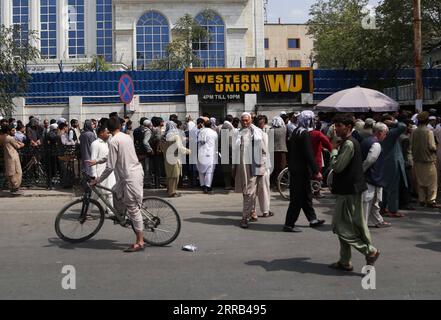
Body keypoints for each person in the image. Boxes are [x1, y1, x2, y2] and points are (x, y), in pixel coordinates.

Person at [329, 114, 380, 272]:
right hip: (349, 189)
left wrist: (334, 151)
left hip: (349, 191)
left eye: (339, 126)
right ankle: (345, 261)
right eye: (335, 126)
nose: (336, 129)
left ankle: (369, 250)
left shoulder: (349, 144)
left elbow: (337, 167)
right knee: (349, 224)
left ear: (349, 127)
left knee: (340, 226)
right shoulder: (348, 142)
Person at [89, 117, 145, 253]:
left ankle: (140, 241)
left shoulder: (113, 141)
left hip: (130, 176)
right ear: (120, 126)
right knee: (115, 191)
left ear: (108, 129)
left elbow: (110, 166)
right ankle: (120, 214)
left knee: (133, 209)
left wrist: (98, 180)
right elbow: (111, 157)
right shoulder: (126, 137)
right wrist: (97, 161)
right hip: (130, 174)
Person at [283, 111, 325, 233]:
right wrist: (316, 171)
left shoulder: (296, 131)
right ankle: (289, 224)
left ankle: (312, 219)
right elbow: (309, 154)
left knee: (306, 195)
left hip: (295, 168)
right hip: (300, 170)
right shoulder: (304, 133)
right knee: (297, 198)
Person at [234, 113, 271, 229]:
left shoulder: (257, 133)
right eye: (243, 121)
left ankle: (245, 218)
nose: (244, 123)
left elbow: (264, 151)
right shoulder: (238, 133)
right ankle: (253, 212)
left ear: (250, 120)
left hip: (253, 167)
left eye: (246, 120)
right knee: (249, 191)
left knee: (248, 192)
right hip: (242, 168)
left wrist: (262, 167)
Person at [361, 122, 391, 228]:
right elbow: (370, 160)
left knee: (374, 201)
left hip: (372, 177)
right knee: (368, 201)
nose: (385, 136)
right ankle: (362, 224)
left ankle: (378, 220)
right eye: (385, 133)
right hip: (371, 177)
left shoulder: (367, 141)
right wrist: (362, 170)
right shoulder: (376, 144)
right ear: (380, 132)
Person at [411, 112, 441, 208]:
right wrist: (436, 147)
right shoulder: (429, 132)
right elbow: (432, 146)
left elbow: (411, 144)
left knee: (420, 181)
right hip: (428, 160)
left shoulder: (414, 131)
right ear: (427, 120)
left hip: (417, 159)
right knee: (432, 181)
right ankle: (431, 200)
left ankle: (422, 199)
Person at [379, 115, 407, 218]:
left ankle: (382, 208)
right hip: (392, 162)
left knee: (385, 187)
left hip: (384, 161)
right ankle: (393, 210)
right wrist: (394, 123)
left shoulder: (381, 133)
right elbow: (403, 126)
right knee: (393, 187)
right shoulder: (390, 133)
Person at [90, 126, 116, 212]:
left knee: (109, 192)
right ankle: (87, 212)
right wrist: (94, 175)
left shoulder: (106, 143)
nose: (109, 134)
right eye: (107, 132)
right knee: (96, 194)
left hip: (107, 172)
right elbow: (93, 160)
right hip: (100, 173)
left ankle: (110, 210)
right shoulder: (95, 144)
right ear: (101, 133)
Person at [162, 121, 191, 197]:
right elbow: (180, 148)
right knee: (175, 176)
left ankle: (169, 189)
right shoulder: (176, 137)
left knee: (169, 175)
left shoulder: (164, 136)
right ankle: (172, 192)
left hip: (166, 158)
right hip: (175, 158)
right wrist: (188, 151)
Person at [0, 125, 25, 195]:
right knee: (17, 172)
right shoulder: (9, 138)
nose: (14, 132)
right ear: (8, 131)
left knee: (10, 172)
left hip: (8, 157)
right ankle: (15, 188)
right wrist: (22, 144)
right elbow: (17, 146)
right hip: (13, 157)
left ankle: (12, 188)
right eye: (13, 130)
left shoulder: (3, 137)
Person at [197, 118, 218, 194]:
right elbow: (216, 143)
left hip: (201, 153)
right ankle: (208, 186)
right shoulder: (214, 133)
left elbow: (200, 142)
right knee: (210, 171)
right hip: (210, 153)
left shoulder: (200, 132)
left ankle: (202, 185)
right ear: (211, 125)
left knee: (201, 170)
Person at [269, 116, 287, 187]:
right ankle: (280, 182)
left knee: (274, 168)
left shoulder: (271, 130)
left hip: (273, 151)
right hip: (282, 150)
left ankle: (273, 182)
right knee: (282, 167)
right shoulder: (284, 129)